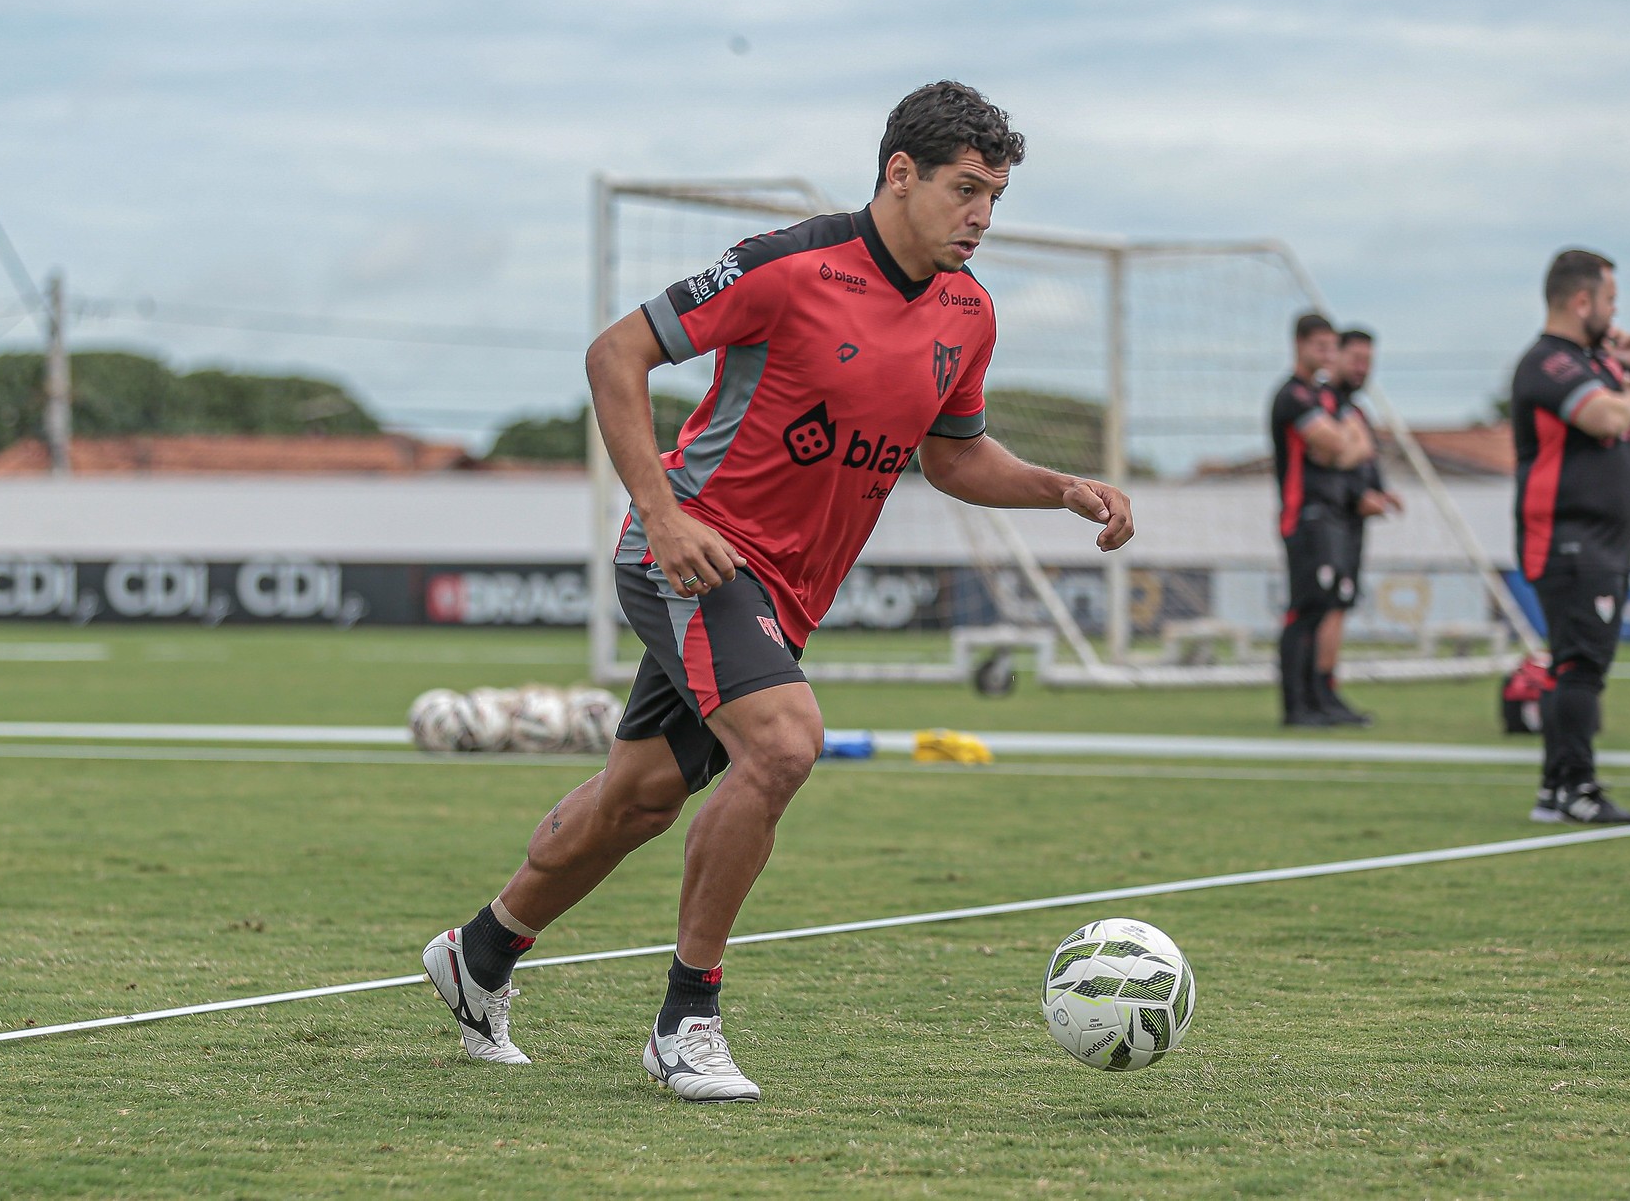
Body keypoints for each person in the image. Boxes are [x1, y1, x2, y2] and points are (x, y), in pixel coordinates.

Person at [421, 82, 1135, 1100]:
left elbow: (954, 457)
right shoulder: (784, 265)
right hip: (693, 556)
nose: (982, 215)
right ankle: (687, 1018)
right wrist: (663, 513)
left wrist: (1058, 487)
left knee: (637, 800)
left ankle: (480, 952)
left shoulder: (967, 313)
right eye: (966, 189)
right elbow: (614, 352)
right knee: (786, 742)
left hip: (786, 596)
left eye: (996, 196)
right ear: (900, 173)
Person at [1509, 249, 1630, 825]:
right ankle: (1577, 788)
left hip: (1600, 543)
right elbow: (1606, 418)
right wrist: (1624, 396)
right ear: (1582, 302)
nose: (1614, 311)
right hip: (1567, 539)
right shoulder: (1548, 363)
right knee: (1580, 666)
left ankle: (1556, 790)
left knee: (1573, 664)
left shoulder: (1601, 362)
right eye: (1609, 300)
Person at [1270, 313, 1377, 727]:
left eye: (1332, 347)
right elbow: (1334, 445)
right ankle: (1296, 706)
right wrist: (1341, 444)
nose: (1327, 355)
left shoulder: (1326, 399)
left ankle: (1318, 699)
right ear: (1299, 344)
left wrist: (1342, 445)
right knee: (1305, 609)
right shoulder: (1292, 396)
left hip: (1331, 517)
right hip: (1305, 515)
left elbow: (1355, 448)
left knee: (1326, 606)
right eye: (1320, 346)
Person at [1327, 329, 1404, 722]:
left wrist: (1380, 492)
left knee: (1338, 604)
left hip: (1348, 523)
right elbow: (1328, 463)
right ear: (1335, 356)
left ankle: (1325, 693)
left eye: (1367, 361)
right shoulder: (1322, 403)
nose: (1362, 368)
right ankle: (1318, 695)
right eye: (1355, 358)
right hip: (1324, 522)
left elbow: (1363, 460)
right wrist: (1357, 497)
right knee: (1325, 607)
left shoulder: (1355, 409)